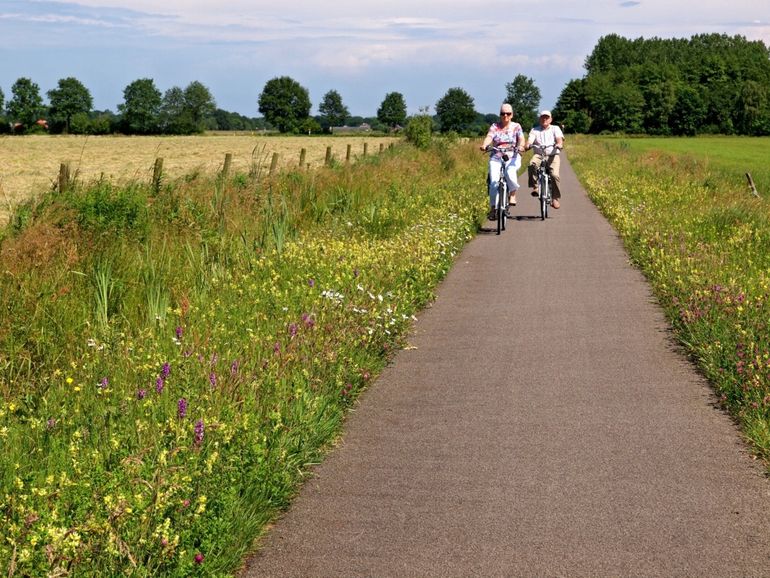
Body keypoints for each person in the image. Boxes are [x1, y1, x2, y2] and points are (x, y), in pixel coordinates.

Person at [479, 103, 524, 220]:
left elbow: (521, 138)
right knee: (493, 182)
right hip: (496, 156)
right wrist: (485, 145)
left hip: (512, 155)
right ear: (500, 115)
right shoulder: (495, 126)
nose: (505, 116)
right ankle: (493, 208)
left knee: (510, 172)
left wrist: (521, 146)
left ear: (512, 115)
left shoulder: (516, 126)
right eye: (503, 113)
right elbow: (489, 136)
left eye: (508, 113)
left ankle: (512, 194)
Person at [525, 110, 564, 209]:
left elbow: (559, 139)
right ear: (539, 119)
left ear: (551, 119)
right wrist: (528, 145)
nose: (544, 119)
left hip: (552, 155)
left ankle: (555, 198)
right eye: (543, 117)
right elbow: (529, 140)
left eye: (547, 117)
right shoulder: (535, 130)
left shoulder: (555, 128)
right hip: (539, 154)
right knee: (532, 165)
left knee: (554, 175)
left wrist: (559, 144)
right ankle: (535, 187)